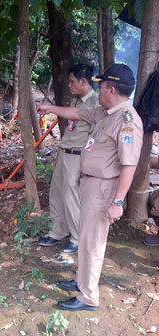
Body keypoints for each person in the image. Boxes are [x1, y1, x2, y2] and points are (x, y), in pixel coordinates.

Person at [37, 63, 143, 311]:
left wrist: (117, 202)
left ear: (112, 89)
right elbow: (76, 115)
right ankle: (82, 281)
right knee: (85, 239)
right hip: (91, 184)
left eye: (103, 86)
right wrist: (49, 108)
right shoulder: (105, 112)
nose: (100, 89)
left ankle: (88, 297)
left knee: (93, 242)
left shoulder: (127, 120)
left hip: (104, 189)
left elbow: (129, 165)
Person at [39, 64, 100, 254]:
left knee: (71, 198)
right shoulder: (77, 100)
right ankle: (58, 231)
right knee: (56, 194)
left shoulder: (95, 104)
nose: (69, 85)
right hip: (65, 153)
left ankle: (76, 238)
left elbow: (95, 138)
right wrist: (59, 154)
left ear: (84, 81)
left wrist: (87, 165)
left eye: (73, 81)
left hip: (78, 157)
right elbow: (71, 129)